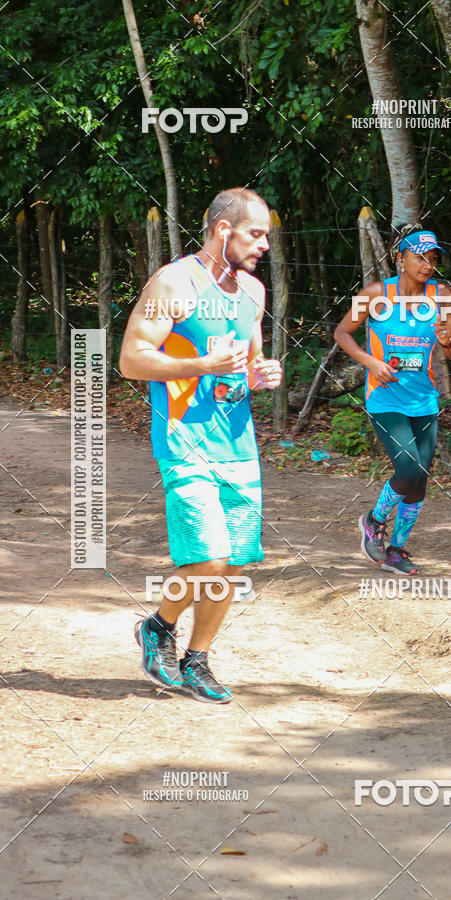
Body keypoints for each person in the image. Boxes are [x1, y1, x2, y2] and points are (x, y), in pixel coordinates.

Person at [119, 188, 281, 702]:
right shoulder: (174, 281)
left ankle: (197, 659)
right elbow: (131, 360)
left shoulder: (252, 292)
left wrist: (263, 374)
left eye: (267, 237)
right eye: (256, 234)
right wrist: (200, 366)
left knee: (231, 563)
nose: (264, 246)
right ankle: (159, 627)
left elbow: (248, 365)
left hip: (239, 447)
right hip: (184, 440)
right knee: (208, 558)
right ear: (223, 230)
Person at [334, 223, 451, 575]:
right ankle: (373, 520)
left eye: (433, 257)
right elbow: (342, 332)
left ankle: (397, 550)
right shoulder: (376, 293)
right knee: (407, 469)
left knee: (419, 479)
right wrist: (370, 362)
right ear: (400, 258)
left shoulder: (443, 294)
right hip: (385, 398)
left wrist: (448, 342)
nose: (427, 263)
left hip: (424, 400)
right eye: (419, 256)